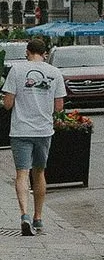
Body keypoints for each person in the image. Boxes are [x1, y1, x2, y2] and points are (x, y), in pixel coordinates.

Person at [4, 32, 66, 237]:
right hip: (43, 130)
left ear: (27, 53)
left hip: (21, 129)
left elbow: (8, 104)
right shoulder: (55, 73)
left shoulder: (16, 70)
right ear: (45, 54)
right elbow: (59, 107)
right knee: (39, 173)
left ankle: (24, 215)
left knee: (22, 173)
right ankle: (39, 218)